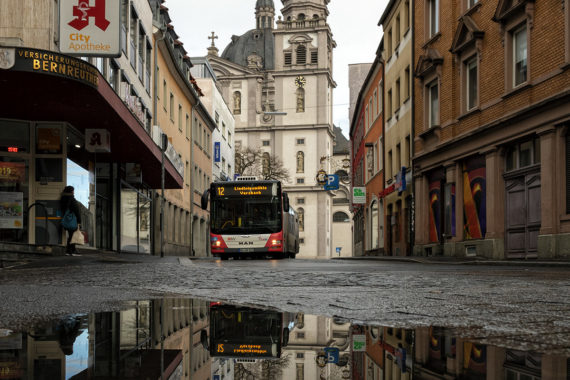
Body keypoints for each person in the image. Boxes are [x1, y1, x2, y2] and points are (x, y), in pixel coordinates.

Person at [60, 186, 81, 255]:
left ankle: (72, 249)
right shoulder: (71, 198)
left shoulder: (62, 198)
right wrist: (79, 220)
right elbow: (76, 210)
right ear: (71, 191)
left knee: (71, 234)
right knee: (72, 235)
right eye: (73, 190)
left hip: (66, 218)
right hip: (72, 219)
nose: (73, 192)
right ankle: (69, 250)